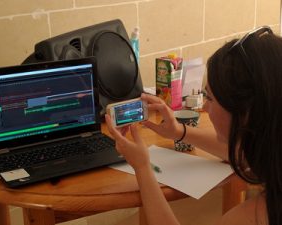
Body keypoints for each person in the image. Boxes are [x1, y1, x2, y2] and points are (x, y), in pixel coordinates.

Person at [105, 26, 281, 225]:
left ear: (244, 114)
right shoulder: (272, 150)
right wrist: (179, 131)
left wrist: (142, 166)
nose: (205, 106)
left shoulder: (252, 217)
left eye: (211, 98)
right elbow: (241, 153)